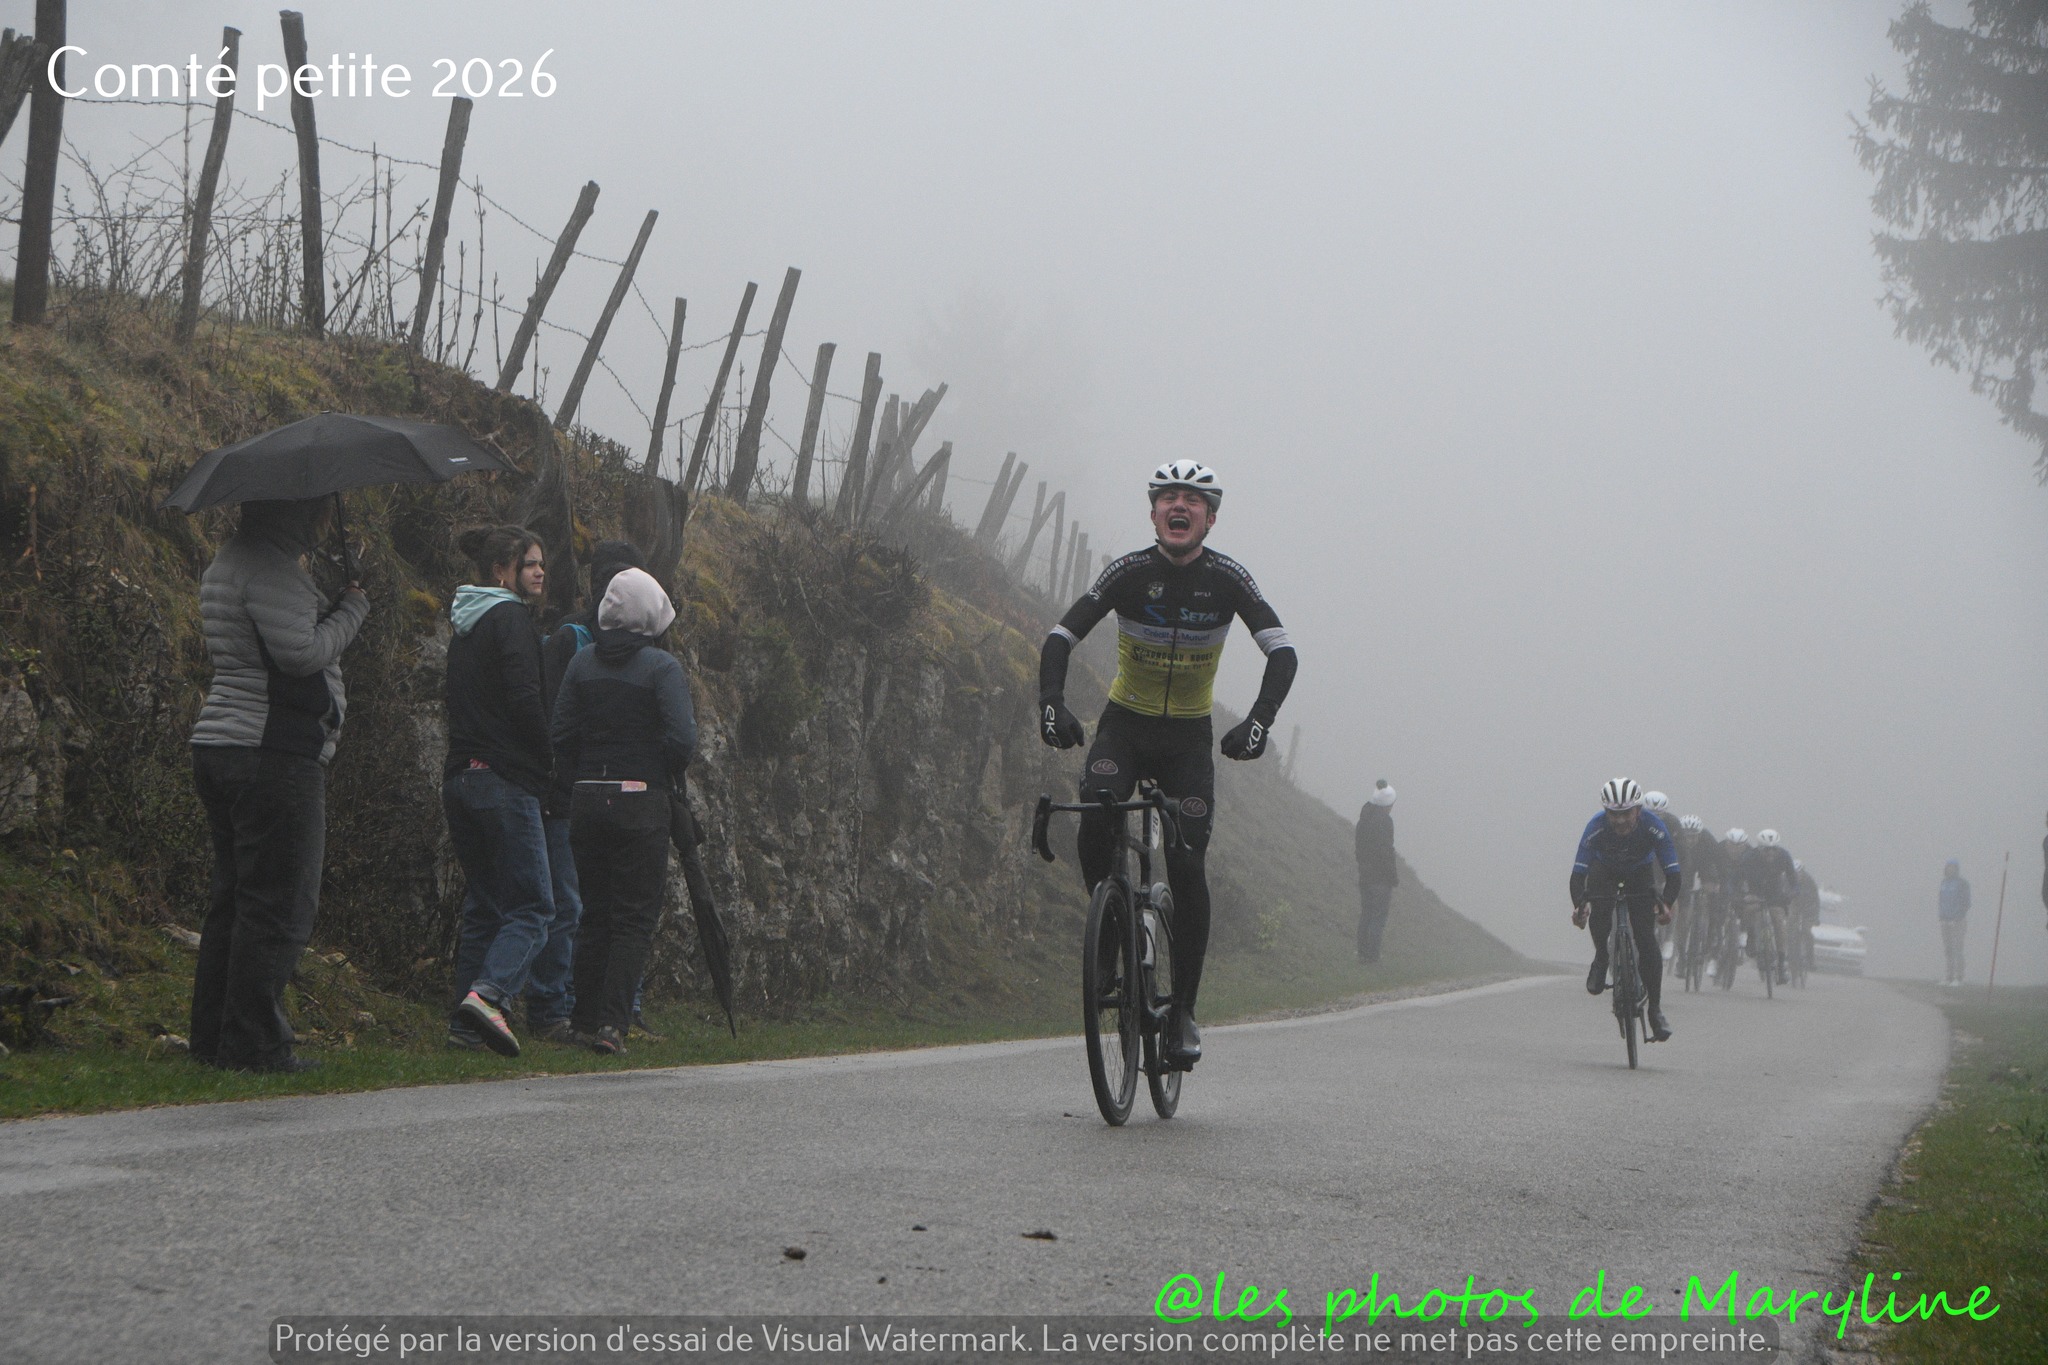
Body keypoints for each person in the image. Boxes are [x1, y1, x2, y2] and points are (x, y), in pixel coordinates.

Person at [1037, 459, 1297, 1068]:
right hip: (1124, 726)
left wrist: (1258, 722)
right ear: (1153, 512)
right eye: (1168, 498)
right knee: (1098, 814)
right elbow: (1059, 637)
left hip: (1186, 741)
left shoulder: (1229, 579)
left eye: (1194, 500)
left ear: (1210, 517)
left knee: (1186, 863)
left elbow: (1282, 652)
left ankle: (1182, 1010)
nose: (1180, 506)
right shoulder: (1128, 572)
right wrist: (1051, 705)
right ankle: (1106, 938)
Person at [188, 497, 370, 1073]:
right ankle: (257, 1046)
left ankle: (215, 1039)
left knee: (234, 901)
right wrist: (352, 610)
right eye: (317, 513)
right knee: (281, 906)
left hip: (222, 743)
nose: (321, 524)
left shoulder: (229, 559)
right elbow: (299, 653)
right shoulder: (271, 568)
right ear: (294, 512)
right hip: (272, 752)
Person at [552, 567, 697, 1056]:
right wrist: (656, 772)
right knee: (634, 918)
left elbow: (561, 734)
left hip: (587, 800)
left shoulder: (582, 664)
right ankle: (614, 1025)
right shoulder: (661, 668)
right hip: (641, 802)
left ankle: (581, 1019)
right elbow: (683, 739)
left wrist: (581, 777)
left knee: (593, 914)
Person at [524, 540, 646, 1041]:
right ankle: (554, 1008)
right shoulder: (571, 638)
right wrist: (556, 785)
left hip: (615, 794)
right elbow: (553, 719)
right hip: (569, 794)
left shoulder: (642, 645)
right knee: (569, 904)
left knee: (611, 906)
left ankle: (600, 1009)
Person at [443, 526, 554, 1056]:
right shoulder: (510, 618)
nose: (539, 572)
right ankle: (489, 996)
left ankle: (464, 1025)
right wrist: (548, 758)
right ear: (500, 572)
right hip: (504, 780)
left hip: (460, 777)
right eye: (529, 563)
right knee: (533, 906)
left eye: (541, 565)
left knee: (485, 905)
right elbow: (524, 700)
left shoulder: (464, 626)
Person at [1569, 777, 1678, 1041]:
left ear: (1638, 811)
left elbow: (1673, 874)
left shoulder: (1654, 827)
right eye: (1613, 815)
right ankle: (1602, 957)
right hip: (1603, 872)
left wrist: (1666, 905)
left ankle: (1655, 1010)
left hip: (1640, 873)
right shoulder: (1595, 827)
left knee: (1645, 937)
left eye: (1626, 814)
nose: (1619, 821)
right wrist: (1580, 907)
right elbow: (1576, 876)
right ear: (1605, 812)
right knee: (1599, 912)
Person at [1745, 830, 1798, 985]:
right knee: (1749, 911)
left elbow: (1793, 881)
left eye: (1773, 849)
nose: (1770, 853)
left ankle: (1781, 963)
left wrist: (1792, 893)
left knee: (1778, 919)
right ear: (1759, 849)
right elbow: (1736, 878)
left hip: (1775, 894)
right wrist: (1740, 895)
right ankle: (1751, 937)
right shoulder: (1749, 857)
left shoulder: (1784, 856)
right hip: (1755, 892)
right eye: (1766, 850)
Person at [1354, 780, 1399, 963]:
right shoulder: (1385, 822)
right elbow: (1386, 851)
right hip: (1380, 878)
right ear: (1387, 805)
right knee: (1378, 917)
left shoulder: (1363, 820)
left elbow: (1359, 849)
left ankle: (1362, 953)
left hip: (1365, 874)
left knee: (1366, 913)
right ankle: (1373, 956)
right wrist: (1393, 876)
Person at [1938, 858, 1971, 986]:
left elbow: (1966, 902)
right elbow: (1941, 901)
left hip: (1958, 921)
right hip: (1945, 920)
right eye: (1948, 867)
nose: (1950, 869)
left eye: (1952, 867)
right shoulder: (1944, 883)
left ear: (1956, 869)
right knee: (1948, 949)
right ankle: (1949, 976)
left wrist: (1959, 916)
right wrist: (1941, 916)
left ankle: (1959, 977)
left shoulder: (1962, 884)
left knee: (1958, 948)